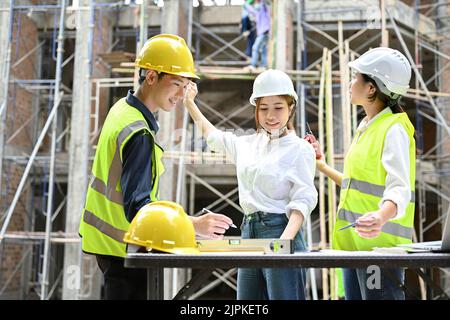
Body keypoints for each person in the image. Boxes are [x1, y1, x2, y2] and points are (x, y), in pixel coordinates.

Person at [78, 34, 234, 300]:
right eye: (176, 84)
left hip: (111, 247)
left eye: (186, 86)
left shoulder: (122, 110)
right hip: (126, 251)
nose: (181, 94)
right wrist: (195, 224)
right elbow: (139, 209)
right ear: (151, 77)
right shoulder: (138, 134)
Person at [184, 69, 318, 300]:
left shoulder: (300, 148)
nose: (271, 115)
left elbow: (303, 200)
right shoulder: (248, 144)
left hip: (281, 230)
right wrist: (189, 104)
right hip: (249, 231)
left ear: (291, 108)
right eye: (263, 108)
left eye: (278, 107)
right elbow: (214, 137)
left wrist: (283, 243)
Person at [306, 47, 415, 300]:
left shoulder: (393, 129)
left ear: (371, 88)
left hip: (380, 249)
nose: (350, 82)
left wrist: (380, 216)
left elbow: (400, 188)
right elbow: (355, 185)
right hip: (354, 246)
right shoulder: (367, 126)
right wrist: (321, 165)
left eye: (356, 77)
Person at [244, 0, 270, 70]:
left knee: (255, 48)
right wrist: (246, 3)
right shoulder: (257, 13)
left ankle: (253, 65)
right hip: (265, 33)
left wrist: (259, 2)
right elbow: (250, 9)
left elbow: (263, 3)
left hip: (264, 32)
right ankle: (264, 66)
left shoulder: (263, 10)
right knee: (263, 50)